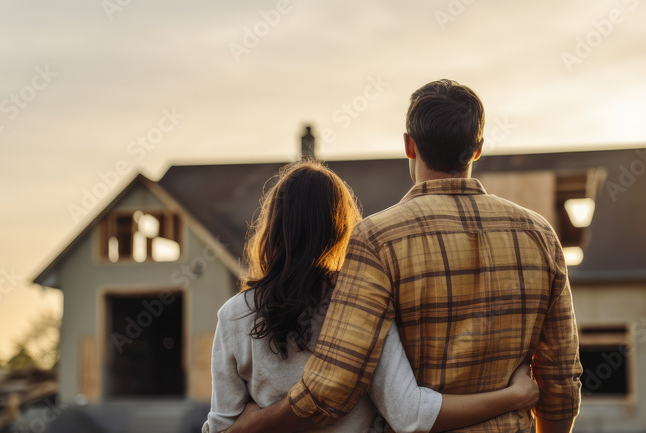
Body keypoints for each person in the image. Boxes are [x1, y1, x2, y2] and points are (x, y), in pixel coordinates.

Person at [227, 79, 583, 433]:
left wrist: (252, 425)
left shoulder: (377, 239)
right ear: (477, 149)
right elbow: (560, 381)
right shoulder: (540, 236)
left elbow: (332, 386)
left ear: (409, 145)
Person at [203, 159, 540, 433]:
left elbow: (222, 427)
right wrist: (513, 396)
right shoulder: (362, 302)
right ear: (339, 230)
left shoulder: (234, 315)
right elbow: (409, 415)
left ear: (273, 227)